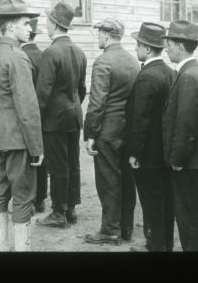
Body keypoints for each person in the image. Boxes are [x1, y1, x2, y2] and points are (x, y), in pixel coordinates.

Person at [0, 0, 44, 252]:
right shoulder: (18, 56)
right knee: (22, 196)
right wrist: (37, 147)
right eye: (26, 23)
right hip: (18, 138)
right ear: (10, 25)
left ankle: (1, 249)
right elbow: (28, 109)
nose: (30, 28)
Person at [83, 18, 140, 246]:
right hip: (127, 131)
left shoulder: (103, 62)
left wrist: (90, 135)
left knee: (108, 182)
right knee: (127, 180)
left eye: (98, 34)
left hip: (107, 133)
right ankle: (125, 229)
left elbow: (97, 103)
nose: (98, 38)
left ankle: (109, 231)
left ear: (106, 36)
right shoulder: (132, 61)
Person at [162, 20, 198, 251]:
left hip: (189, 163)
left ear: (181, 46)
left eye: (170, 44)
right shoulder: (196, 72)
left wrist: (177, 160)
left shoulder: (188, 77)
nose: (166, 48)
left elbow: (186, 126)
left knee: (190, 219)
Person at [35, 2, 87, 229]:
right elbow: (82, 89)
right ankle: (71, 209)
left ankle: (58, 213)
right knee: (73, 164)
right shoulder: (79, 51)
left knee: (57, 166)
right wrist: (72, 106)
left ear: (54, 24)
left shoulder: (51, 52)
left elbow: (42, 94)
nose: (45, 24)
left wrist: (36, 119)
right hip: (73, 116)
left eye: (47, 20)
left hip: (54, 120)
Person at [125, 22, 175, 252]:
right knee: (165, 199)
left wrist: (134, 152)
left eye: (137, 45)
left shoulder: (147, 76)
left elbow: (139, 119)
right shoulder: (170, 72)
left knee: (151, 201)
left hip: (148, 153)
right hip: (164, 150)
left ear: (146, 48)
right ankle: (164, 244)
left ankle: (155, 246)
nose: (135, 49)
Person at [21, 18, 48, 213]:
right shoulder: (43, 55)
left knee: (27, 157)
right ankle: (40, 200)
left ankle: (28, 200)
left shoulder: (20, 56)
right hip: (44, 115)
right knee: (41, 156)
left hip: (28, 113)